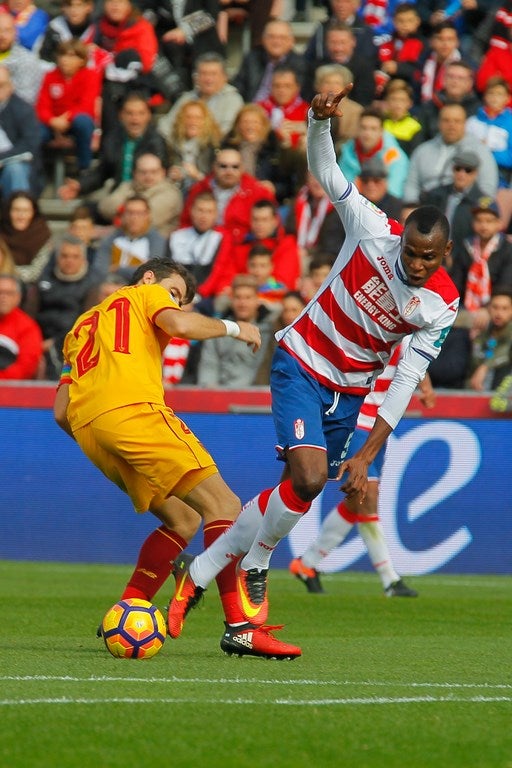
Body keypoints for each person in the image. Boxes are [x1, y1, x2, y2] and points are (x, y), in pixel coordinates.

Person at [166, 84, 460, 638]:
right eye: (411, 253)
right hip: (302, 359)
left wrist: (368, 455)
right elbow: (329, 175)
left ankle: (199, 570)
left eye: (428, 257)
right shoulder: (373, 230)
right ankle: (256, 563)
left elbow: (405, 379)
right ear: (401, 240)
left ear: (445, 254)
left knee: (294, 492)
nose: (416, 264)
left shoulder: (442, 303)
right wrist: (319, 124)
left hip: (351, 389)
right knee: (309, 477)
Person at [54, 256, 300, 659]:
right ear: (149, 278)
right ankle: (240, 626)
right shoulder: (146, 293)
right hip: (134, 412)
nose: (175, 303)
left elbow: (61, 411)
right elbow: (181, 326)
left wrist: (100, 434)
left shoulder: (82, 324)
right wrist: (237, 328)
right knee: (224, 505)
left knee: (183, 519)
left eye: (181, 299)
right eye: (175, 293)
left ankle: (127, 607)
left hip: (91, 432)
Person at [289, 344, 435, 596]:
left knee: (359, 500)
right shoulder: (370, 323)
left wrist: (425, 385)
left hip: (380, 426)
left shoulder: (407, 327)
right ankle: (390, 580)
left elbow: (416, 355)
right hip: (356, 421)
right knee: (367, 496)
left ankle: (307, 563)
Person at [58, 92, 169, 204]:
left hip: (147, 198)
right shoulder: (112, 139)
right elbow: (102, 172)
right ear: (121, 115)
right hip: (118, 195)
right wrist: (80, 185)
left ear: (149, 116)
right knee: (86, 209)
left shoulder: (156, 143)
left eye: (141, 113)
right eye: (129, 113)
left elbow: (158, 178)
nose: (135, 119)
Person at [27, 234, 102, 380]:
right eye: (64, 256)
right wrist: (34, 342)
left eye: (75, 256)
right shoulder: (43, 278)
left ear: (83, 259)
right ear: (57, 257)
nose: (69, 261)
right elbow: (28, 315)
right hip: (37, 340)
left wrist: (54, 343)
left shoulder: (93, 284)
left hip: (71, 343)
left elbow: (86, 323)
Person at [179, 145, 276, 246]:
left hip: (243, 249)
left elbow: (273, 230)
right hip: (202, 248)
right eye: (223, 166)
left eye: (235, 167)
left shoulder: (258, 192)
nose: (229, 171)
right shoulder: (199, 189)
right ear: (214, 167)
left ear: (242, 168)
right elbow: (185, 224)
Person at [403, 103, 499, 204]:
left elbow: (488, 188)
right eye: (446, 120)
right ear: (438, 123)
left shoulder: (480, 151)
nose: (451, 125)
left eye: (457, 121)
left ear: (465, 124)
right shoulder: (422, 150)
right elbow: (411, 185)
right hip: (425, 207)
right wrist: (412, 205)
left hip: (462, 207)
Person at [196, 274, 274, 387]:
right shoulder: (219, 329)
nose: (242, 303)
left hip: (256, 397)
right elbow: (209, 364)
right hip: (219, 394)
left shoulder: (269, 332)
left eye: (248, 298)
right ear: (231, 300)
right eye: (238, 297)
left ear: (257, 300)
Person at [36, 39, 101, 172]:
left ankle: (84, 168)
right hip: (52, 123)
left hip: (74, 121)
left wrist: (65, 119)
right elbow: (42, 106)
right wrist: (52, 121)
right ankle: (37, 171)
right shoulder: (50, 77)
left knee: (83, 122)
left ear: (82, 60)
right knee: (35, 132)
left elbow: (86, 105)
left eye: (71, 56)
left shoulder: (90, 76)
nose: (65, 60)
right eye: (62, 55)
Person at [157, 52, 244, 140]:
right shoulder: (187, 98)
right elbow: (165, 126)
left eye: (213, 74)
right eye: (204, 73)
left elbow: (225, 131)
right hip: (182, 148)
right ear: (196, 77)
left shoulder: (233, 99)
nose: (208, 79)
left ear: (224, 77)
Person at [97, 152, 183, 238]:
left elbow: (142, 222)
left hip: (155, 243)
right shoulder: (129, 186)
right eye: (143, 172)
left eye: (154, 172)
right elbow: (104, 208)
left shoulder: (170, 193)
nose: (148, 176)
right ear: (135, 173)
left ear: (163, 172)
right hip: (123, 238)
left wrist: (120, 212)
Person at [339, 107, 410, 199]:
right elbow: (341, 189)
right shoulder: (347, 152)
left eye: (373, 129)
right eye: (363, 128)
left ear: (381, 131)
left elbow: (394, 193)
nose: (367, 133)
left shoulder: (395, 156)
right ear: (357, 129)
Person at [232, 18, 307, 103]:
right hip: (252, 109)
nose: (276, 41)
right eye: (271, 37)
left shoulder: (301, 64)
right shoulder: (252, 58)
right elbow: (238, 87)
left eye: (282, 37)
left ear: (291, 41)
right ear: (263, 40)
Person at [420, 150, 485, 245]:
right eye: (458, 168)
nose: (461, 174)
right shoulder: (436, 194)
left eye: (468, 170)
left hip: (465, 254)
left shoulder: (480, 202)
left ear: (475, 173)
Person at [94, 195, 166, 280]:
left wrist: (117, 268)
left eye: (139, 213)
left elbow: (152, 271)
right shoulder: (111, 238)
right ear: (123, 215)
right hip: (111, 287)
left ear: (148, 215)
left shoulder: (156, 240)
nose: (134, 218)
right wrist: (139, 266)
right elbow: (99, 270)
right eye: (130, 213)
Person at [0, 64, 42, 199]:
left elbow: (30, 145)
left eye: (1, 85)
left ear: (11, 86)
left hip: (15, 165)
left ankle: (18, 213)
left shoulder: (23, 110)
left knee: (15, 169)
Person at [165, 100, 221, 196]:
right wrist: (171, 177)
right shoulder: (171, 146)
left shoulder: (213, 147)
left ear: (206, 121)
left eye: (198, 118)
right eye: (188, 117)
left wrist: (197, 176)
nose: (193, 121)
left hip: (204, 194)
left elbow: (218, 183)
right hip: (176, 193)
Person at [465, 77, 512, 189]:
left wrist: (488, 150)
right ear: (485, 96)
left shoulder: (510, 123)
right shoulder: (472, 121)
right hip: (471, 173)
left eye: (500, 94)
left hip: (500, 176)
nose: (494, 98)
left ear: (508, 98)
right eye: (491, 93)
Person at [417, 60, 481, 141]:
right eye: (451, 76)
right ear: (443, 79)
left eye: (460, 78)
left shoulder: (478, 110)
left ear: (469, 83)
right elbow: (419, 138)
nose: (455, 81)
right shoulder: (429, 107)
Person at [466, 286, 512, 393]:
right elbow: (473, 363)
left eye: (505, 308)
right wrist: (474, 341)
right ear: (489, 309)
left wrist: (485, 366)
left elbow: (505, 353)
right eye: (495, 307)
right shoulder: (482, 332)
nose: (499, 313)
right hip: (478, 389)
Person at [1, 191, 53, 284]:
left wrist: (7, 271)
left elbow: (36, 273)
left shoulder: (42, 234)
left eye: (26, 210)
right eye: (16, 210)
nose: (20, 216)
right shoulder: (1, 232)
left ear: (33, 213)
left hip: (32, 289)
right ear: (8, 212)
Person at [0, 271, 42, 379]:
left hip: (10, 389)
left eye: (9, 293)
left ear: (18, 297)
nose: (3, 297)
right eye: (0, 292)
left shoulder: (27, 327)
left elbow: (26, 367)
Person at [0, 10, 44, 105]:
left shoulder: (27, 60)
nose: (2, 35)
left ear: (15, 32)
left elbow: (26, 99)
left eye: (7, 30)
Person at [381, 79, 423, 158]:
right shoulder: (380, 123)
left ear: (410, 103)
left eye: (402, 100)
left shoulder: (415, 127)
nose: (397, 104)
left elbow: (415, 156)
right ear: (387, 101)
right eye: (393, 99)